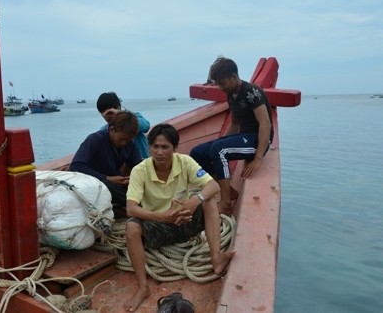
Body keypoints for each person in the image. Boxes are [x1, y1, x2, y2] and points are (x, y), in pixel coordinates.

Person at [123, 123, 236, 312]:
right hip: (159, 226)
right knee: (132, 227)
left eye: (165, 147)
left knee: (207, 200)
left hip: (185, 221)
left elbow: (213, 187)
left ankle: (216, 259)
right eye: (155, 147)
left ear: (175, 149)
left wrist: (194, 201)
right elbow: (131, 209)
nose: (159, 152)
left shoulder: (185, 162)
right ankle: (143, 287)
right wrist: (162, 217)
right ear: (149, 148)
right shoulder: (139, 170)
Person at [190, 57, 273, 215]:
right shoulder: (231, 94)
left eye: (222, 83)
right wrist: (221, 141)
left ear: (234, 77)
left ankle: (226, 202)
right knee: (197, 152)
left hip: (257, 140)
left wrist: (258, 159)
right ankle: (230, 190)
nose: (221, 87)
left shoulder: (251, 92)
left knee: (218, 150)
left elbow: (265, 124)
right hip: (244, 136)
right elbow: (235, 124)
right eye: (218, 83)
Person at [68, 110, 142, 218]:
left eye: (127, 140)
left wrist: (134, 179)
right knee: (107, 186)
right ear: (112, 129)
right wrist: (107, 178)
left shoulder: (129, 143)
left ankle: (123, 209)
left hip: (116, 182)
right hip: (95, 184)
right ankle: (135, 209)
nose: (124, 143)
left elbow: (138, 166)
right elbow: (75, 166)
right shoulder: (95, 139)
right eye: (121, 139)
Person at [96, 91, 150, 159]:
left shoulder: (133, 118)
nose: (108, 115)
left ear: (118, 107)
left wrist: (120, 114)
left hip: (141, 162)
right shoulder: (104, 130)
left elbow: (146, 127)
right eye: (103, 112)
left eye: (111, 112)